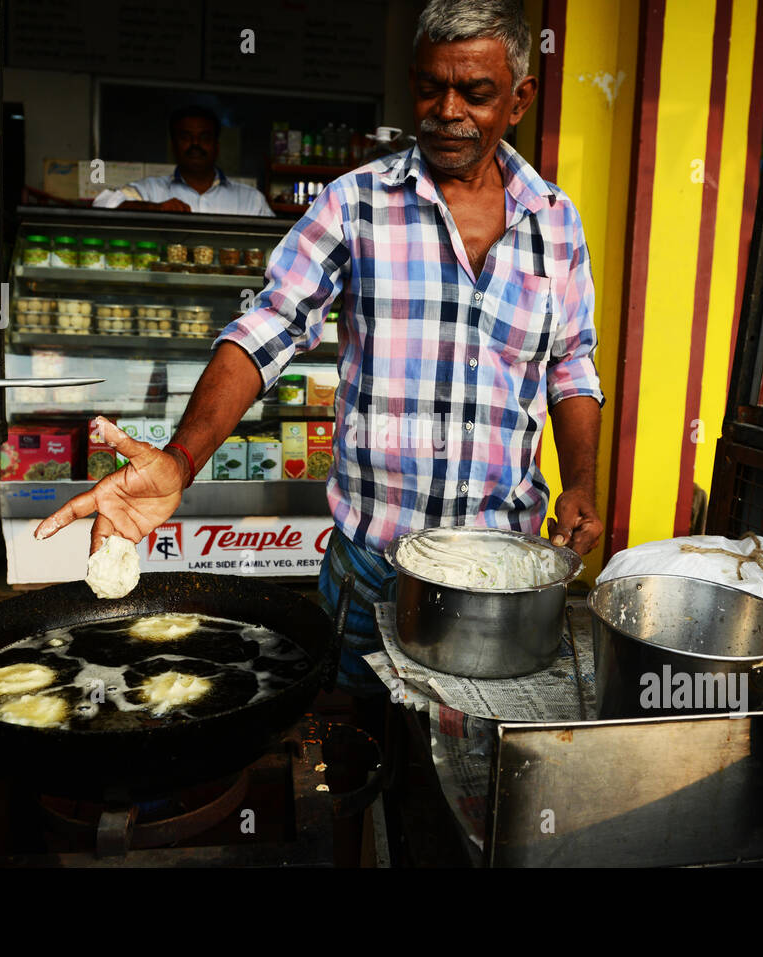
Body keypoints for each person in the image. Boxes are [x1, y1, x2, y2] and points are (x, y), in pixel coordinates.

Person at [37, 0, 603, 713]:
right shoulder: (356, 204)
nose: (445, 110)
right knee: (353, 765)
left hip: (505, 581)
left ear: (519, 99)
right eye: (430, 87)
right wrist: (180, 458)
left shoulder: (556, 222)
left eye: (475, 93)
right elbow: (266, 330)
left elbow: (571, 363)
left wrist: (579, 479)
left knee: (474, 783)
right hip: (373, 577)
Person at [92, 105, 274, 216]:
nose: (195, 144)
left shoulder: (251, 200)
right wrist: (156, 209)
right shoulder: (150, 191)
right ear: (173, 146)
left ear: (216, 146)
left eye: (204, 137)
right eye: (186, 137)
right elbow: (101, 205)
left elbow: (279, 249)